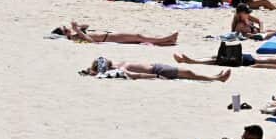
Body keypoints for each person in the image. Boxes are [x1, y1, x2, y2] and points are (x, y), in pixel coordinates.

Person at [79, 57, 230, 82]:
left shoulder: (117, 65)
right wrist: (155, 77)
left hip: (157, 67)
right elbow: (135, 75)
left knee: (188, 73)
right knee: (189, 74)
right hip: (158, 71)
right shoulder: (121, 69)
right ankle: (216, 78)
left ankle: (215, 76)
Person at [52, 22, 177, 46]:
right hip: (110, 37)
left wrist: (78, 26)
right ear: (64, 34)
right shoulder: (74, 37)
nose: (68, 29)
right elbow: (90, 41)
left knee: (138, 39)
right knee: (139, 36)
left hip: (110, 35)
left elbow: (87, 26)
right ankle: (165, 39)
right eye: (65, 29)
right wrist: (78, 30)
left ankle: (168, 42)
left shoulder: (75, 33)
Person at [174, 52, 276, 70]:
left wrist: (258, 65)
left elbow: (275, 67)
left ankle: (192, 61)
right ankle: (193, 60)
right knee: (217, 57)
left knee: (218, 60)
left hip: (249, 61)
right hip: (249, 58)